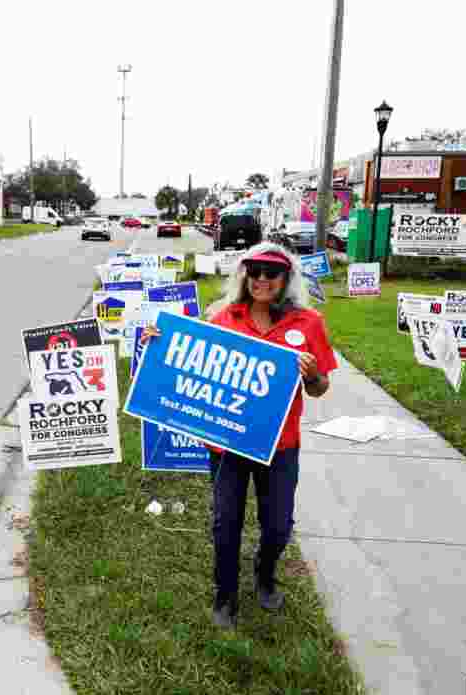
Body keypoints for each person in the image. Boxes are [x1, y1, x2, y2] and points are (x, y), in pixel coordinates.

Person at [142, 242, 337, 629]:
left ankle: (265, 575)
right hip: (227, 443)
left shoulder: (308, 322)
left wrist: (312, 374)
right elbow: (188, 360)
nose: (262, 279)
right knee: (225, 521)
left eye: (272, 272)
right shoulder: (222, 318)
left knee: (278, 525)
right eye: (255, 271)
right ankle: (225, 595)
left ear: (286, 278)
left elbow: (319, 388)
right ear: (244, 274)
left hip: (281, 445)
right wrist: (160, 346)